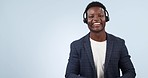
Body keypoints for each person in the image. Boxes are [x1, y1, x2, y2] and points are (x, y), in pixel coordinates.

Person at [65, 1, 136, 78]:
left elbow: (130, 72)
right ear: (86, 20)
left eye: (100, 15)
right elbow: (70, 74)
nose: (96, 19)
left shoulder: (119, 43)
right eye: (91, 16)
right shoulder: (77, 46)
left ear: (106, 18)